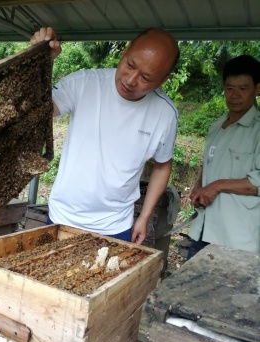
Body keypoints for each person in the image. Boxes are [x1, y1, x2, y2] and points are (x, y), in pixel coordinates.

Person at [31, 27, 180, 244]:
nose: (130, 80)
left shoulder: (165, 114)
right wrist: (39, 64)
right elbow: (39, 109)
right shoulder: (84, 83)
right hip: (62, 218)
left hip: (115, 227)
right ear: (125, 51)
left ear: (162, 81)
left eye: (146, 77)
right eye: (130, 65)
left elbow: (162, 165)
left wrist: (144, 217)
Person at [188, 55, 260, 259]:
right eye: (229, 88)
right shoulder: (216, 126)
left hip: (237, 241)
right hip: (203, 230)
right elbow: (210, 161)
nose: (235, 95)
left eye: (243, 88)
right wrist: (198, 184)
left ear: (257, 89)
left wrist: (217, 185)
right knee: (190, 290)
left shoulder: (257, 131)